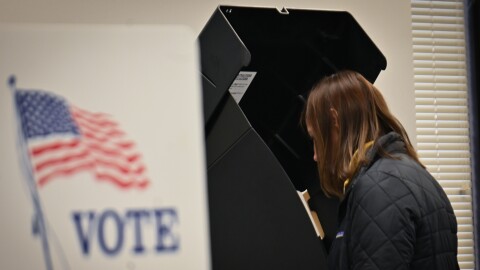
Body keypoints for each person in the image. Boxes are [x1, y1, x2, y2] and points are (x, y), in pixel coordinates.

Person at [303, 70, 459, 270]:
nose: (315, 155)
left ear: (335, 121)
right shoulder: (416, 175)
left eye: (316, 138)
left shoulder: (379, 188)